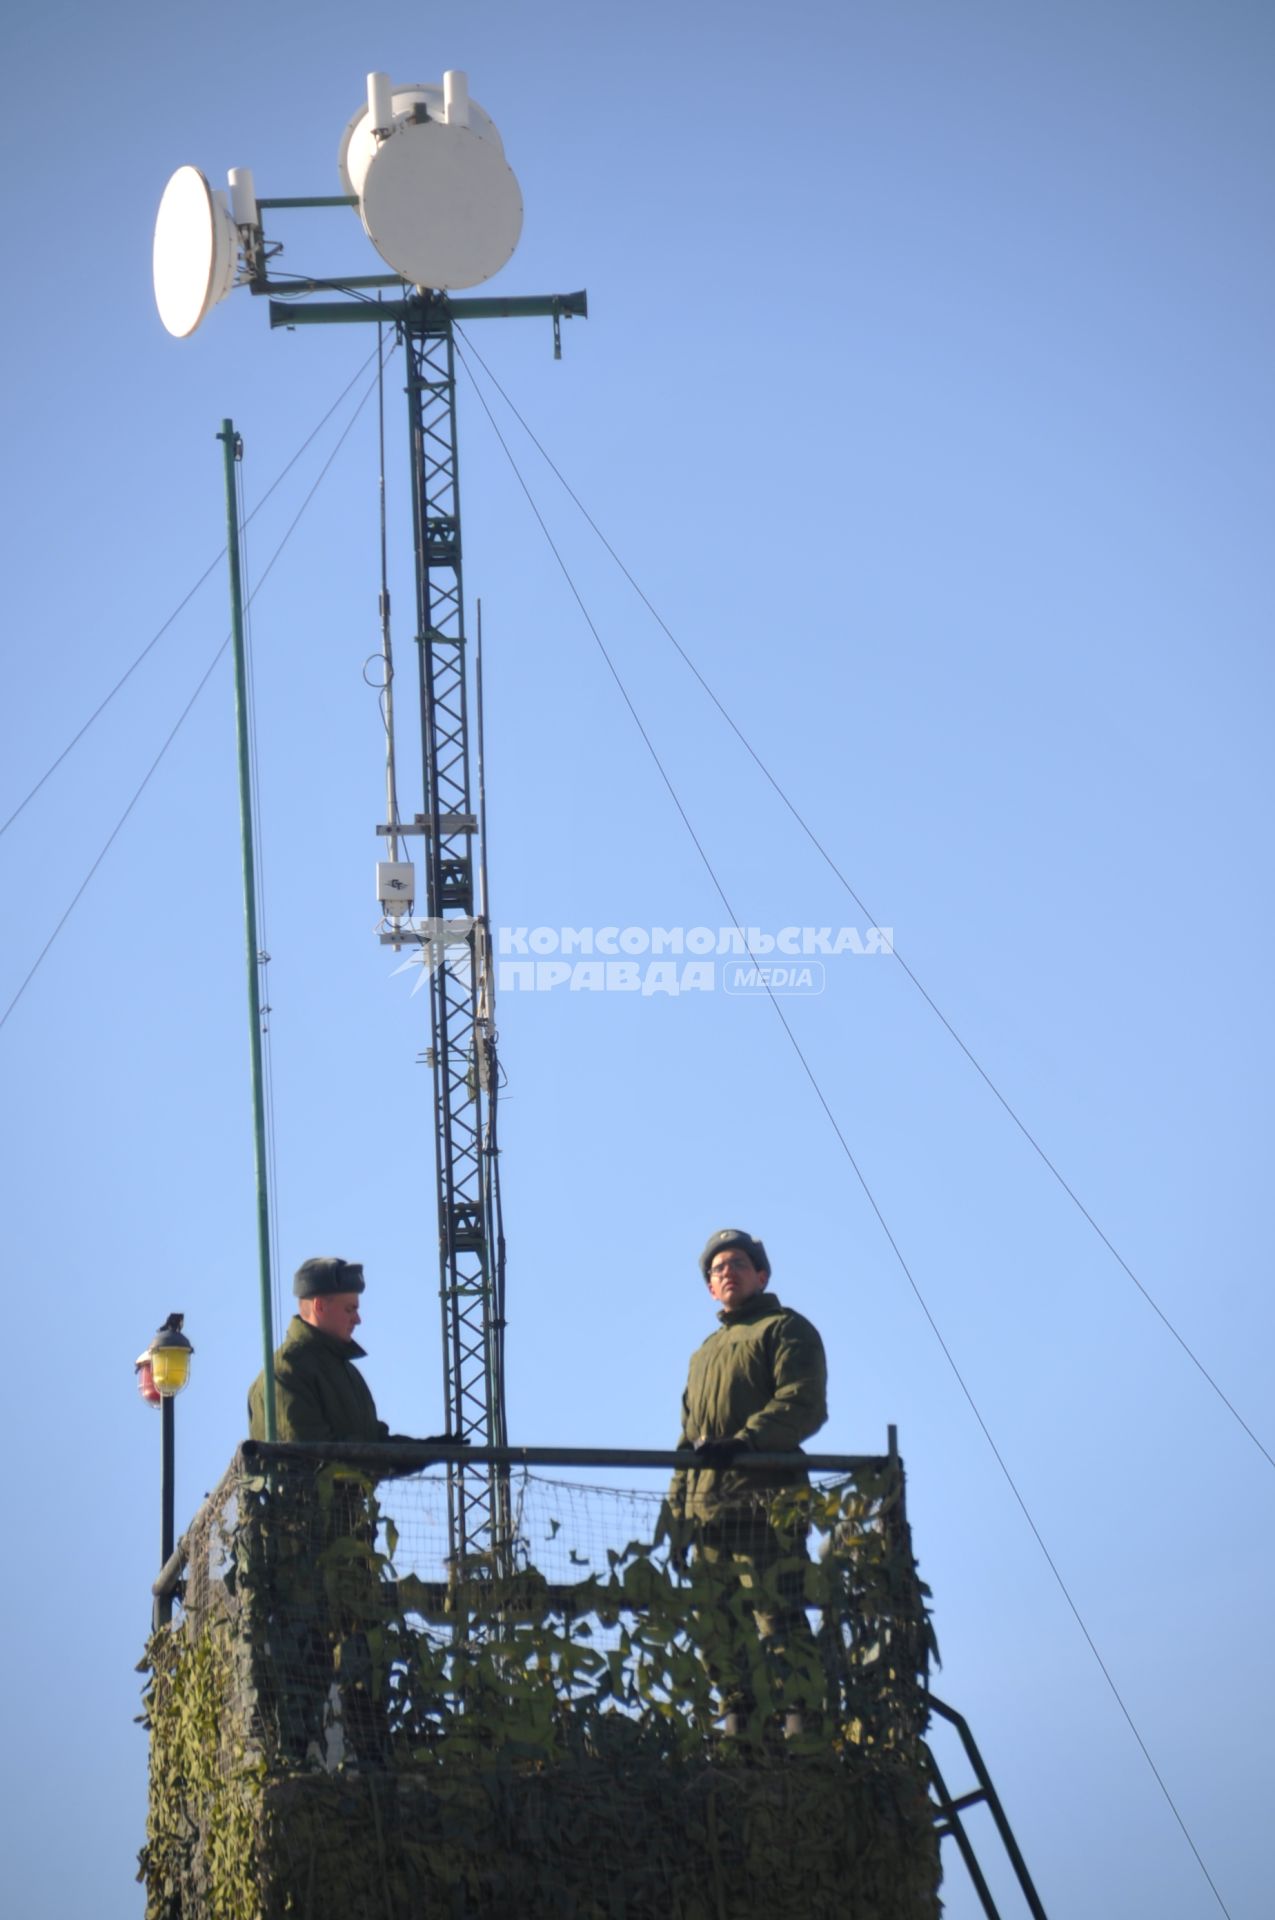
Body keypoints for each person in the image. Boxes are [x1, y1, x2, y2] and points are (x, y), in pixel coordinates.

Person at [668, 1227, 828, 1730]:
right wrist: (675, 1516)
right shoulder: (703, 1355)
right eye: (717, 1270)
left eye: (737, 1263)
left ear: (761, 1274)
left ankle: (804, 1733)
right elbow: (687, 1441)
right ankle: (742, 1735)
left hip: (766, 1505)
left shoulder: (785, 1329)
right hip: (709, 1516)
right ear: (711, 1289)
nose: (726, 1272)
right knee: (719, 1627)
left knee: (776, 1614)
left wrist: (745, 1442)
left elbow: (802, 1404)